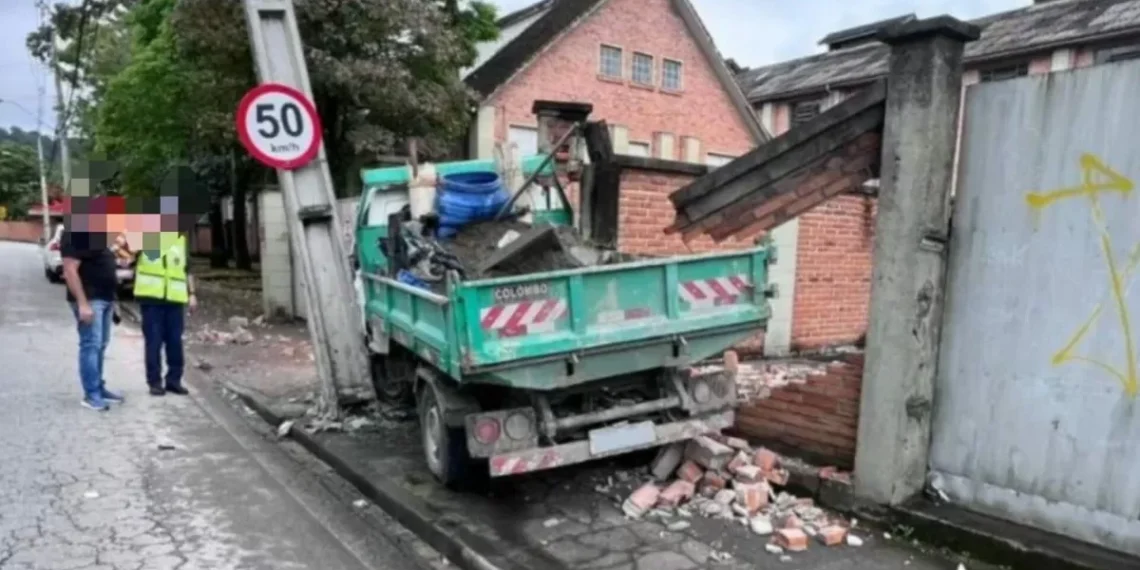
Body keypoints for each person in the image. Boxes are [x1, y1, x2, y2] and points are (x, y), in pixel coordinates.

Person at [60, 227, 125, 411]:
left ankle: (99, 388)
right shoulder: (73, 233)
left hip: (105, 299)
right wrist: (82, 304)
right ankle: (91, 395)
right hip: (90, 300)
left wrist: (114, 300)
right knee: (91, 345)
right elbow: (70, 270)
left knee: (100, 345)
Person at [133, 229, 197, 396]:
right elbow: (126, 258)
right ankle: (154, 382)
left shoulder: (180, 240)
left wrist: (192, 294)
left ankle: (174, 380)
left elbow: (187, 269)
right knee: (154, 342)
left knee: (175, 342)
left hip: (175, 300)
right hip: (151, 299)